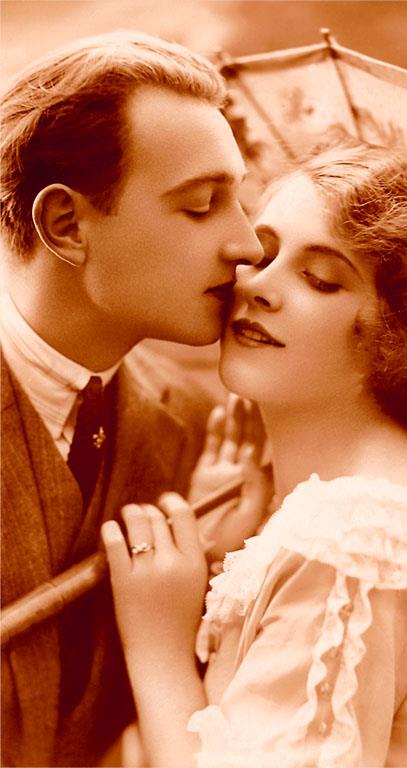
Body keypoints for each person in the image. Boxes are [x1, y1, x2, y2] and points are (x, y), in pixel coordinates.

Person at [102, 131, 407, 767]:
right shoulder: (371, 511)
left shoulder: (357, 537)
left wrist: (157, 643)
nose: (259, 286)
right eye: (261, 254)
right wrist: (225, 557)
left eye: (320, 279)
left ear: (397, 335)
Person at [0, 29, 264, 768]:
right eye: (202, 205)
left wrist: (214, 574)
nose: (247, 246)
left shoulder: (199, 443)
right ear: (65, 225)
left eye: (239, 201)